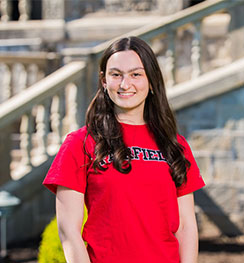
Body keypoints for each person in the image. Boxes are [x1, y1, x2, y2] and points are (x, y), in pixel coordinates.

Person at [43, 36, 205, 263]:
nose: (124, 84)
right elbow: (69, 231)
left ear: (151, 81)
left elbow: (187, 226)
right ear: (104, 81)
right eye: (116, 74)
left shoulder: (174, 145)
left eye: (136, 74)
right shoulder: (81, 143)